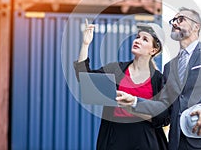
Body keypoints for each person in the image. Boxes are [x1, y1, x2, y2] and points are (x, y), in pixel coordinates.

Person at [117, 7, 201, 150]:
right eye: (173, 20)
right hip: (177, 143)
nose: (175, 23)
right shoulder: (169, 67)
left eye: (180, 19)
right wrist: (134, 101)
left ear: (196, 26)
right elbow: (164, 106)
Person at [73, 19, 170, 150]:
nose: (137, 41)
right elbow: (84, 78)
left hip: (145, 140)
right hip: (115, 138)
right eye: (137, 37)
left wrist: (132, 107)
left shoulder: (158, 79)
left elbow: (163, 118)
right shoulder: (116, 69)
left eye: (145, 39)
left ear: (153, 50)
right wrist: (85, 44)